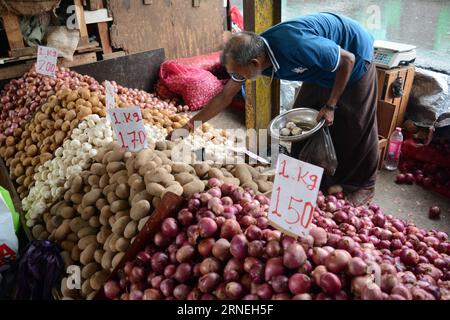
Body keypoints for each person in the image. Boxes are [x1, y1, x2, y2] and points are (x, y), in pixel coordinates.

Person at [176, 13, 378, 206]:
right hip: (319, 67)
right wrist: (187, 126)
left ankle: (363, 185)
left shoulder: (295, 45)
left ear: (255, 63)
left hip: (354, 56)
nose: (237, 77)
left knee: (354, 123)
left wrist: (331, 104)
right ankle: (313, 176)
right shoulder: (250, 57)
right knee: (303, 122)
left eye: (238, 73)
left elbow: (347, 60)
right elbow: (224, 97)